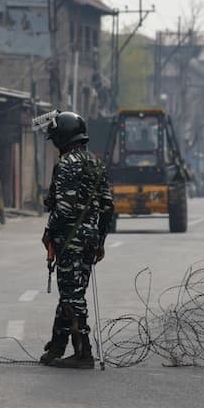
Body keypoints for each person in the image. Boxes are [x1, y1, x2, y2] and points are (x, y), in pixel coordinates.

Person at [39, 111, 114, 369]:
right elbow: (107, 207)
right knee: (72, 292)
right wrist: (101, 240)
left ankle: (83, 352)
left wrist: (49, 232)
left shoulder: (67, 163)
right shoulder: (96, 163)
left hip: (70, 239)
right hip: (90, 239)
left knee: (72, 296)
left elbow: (64, 208)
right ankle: (57, 347)